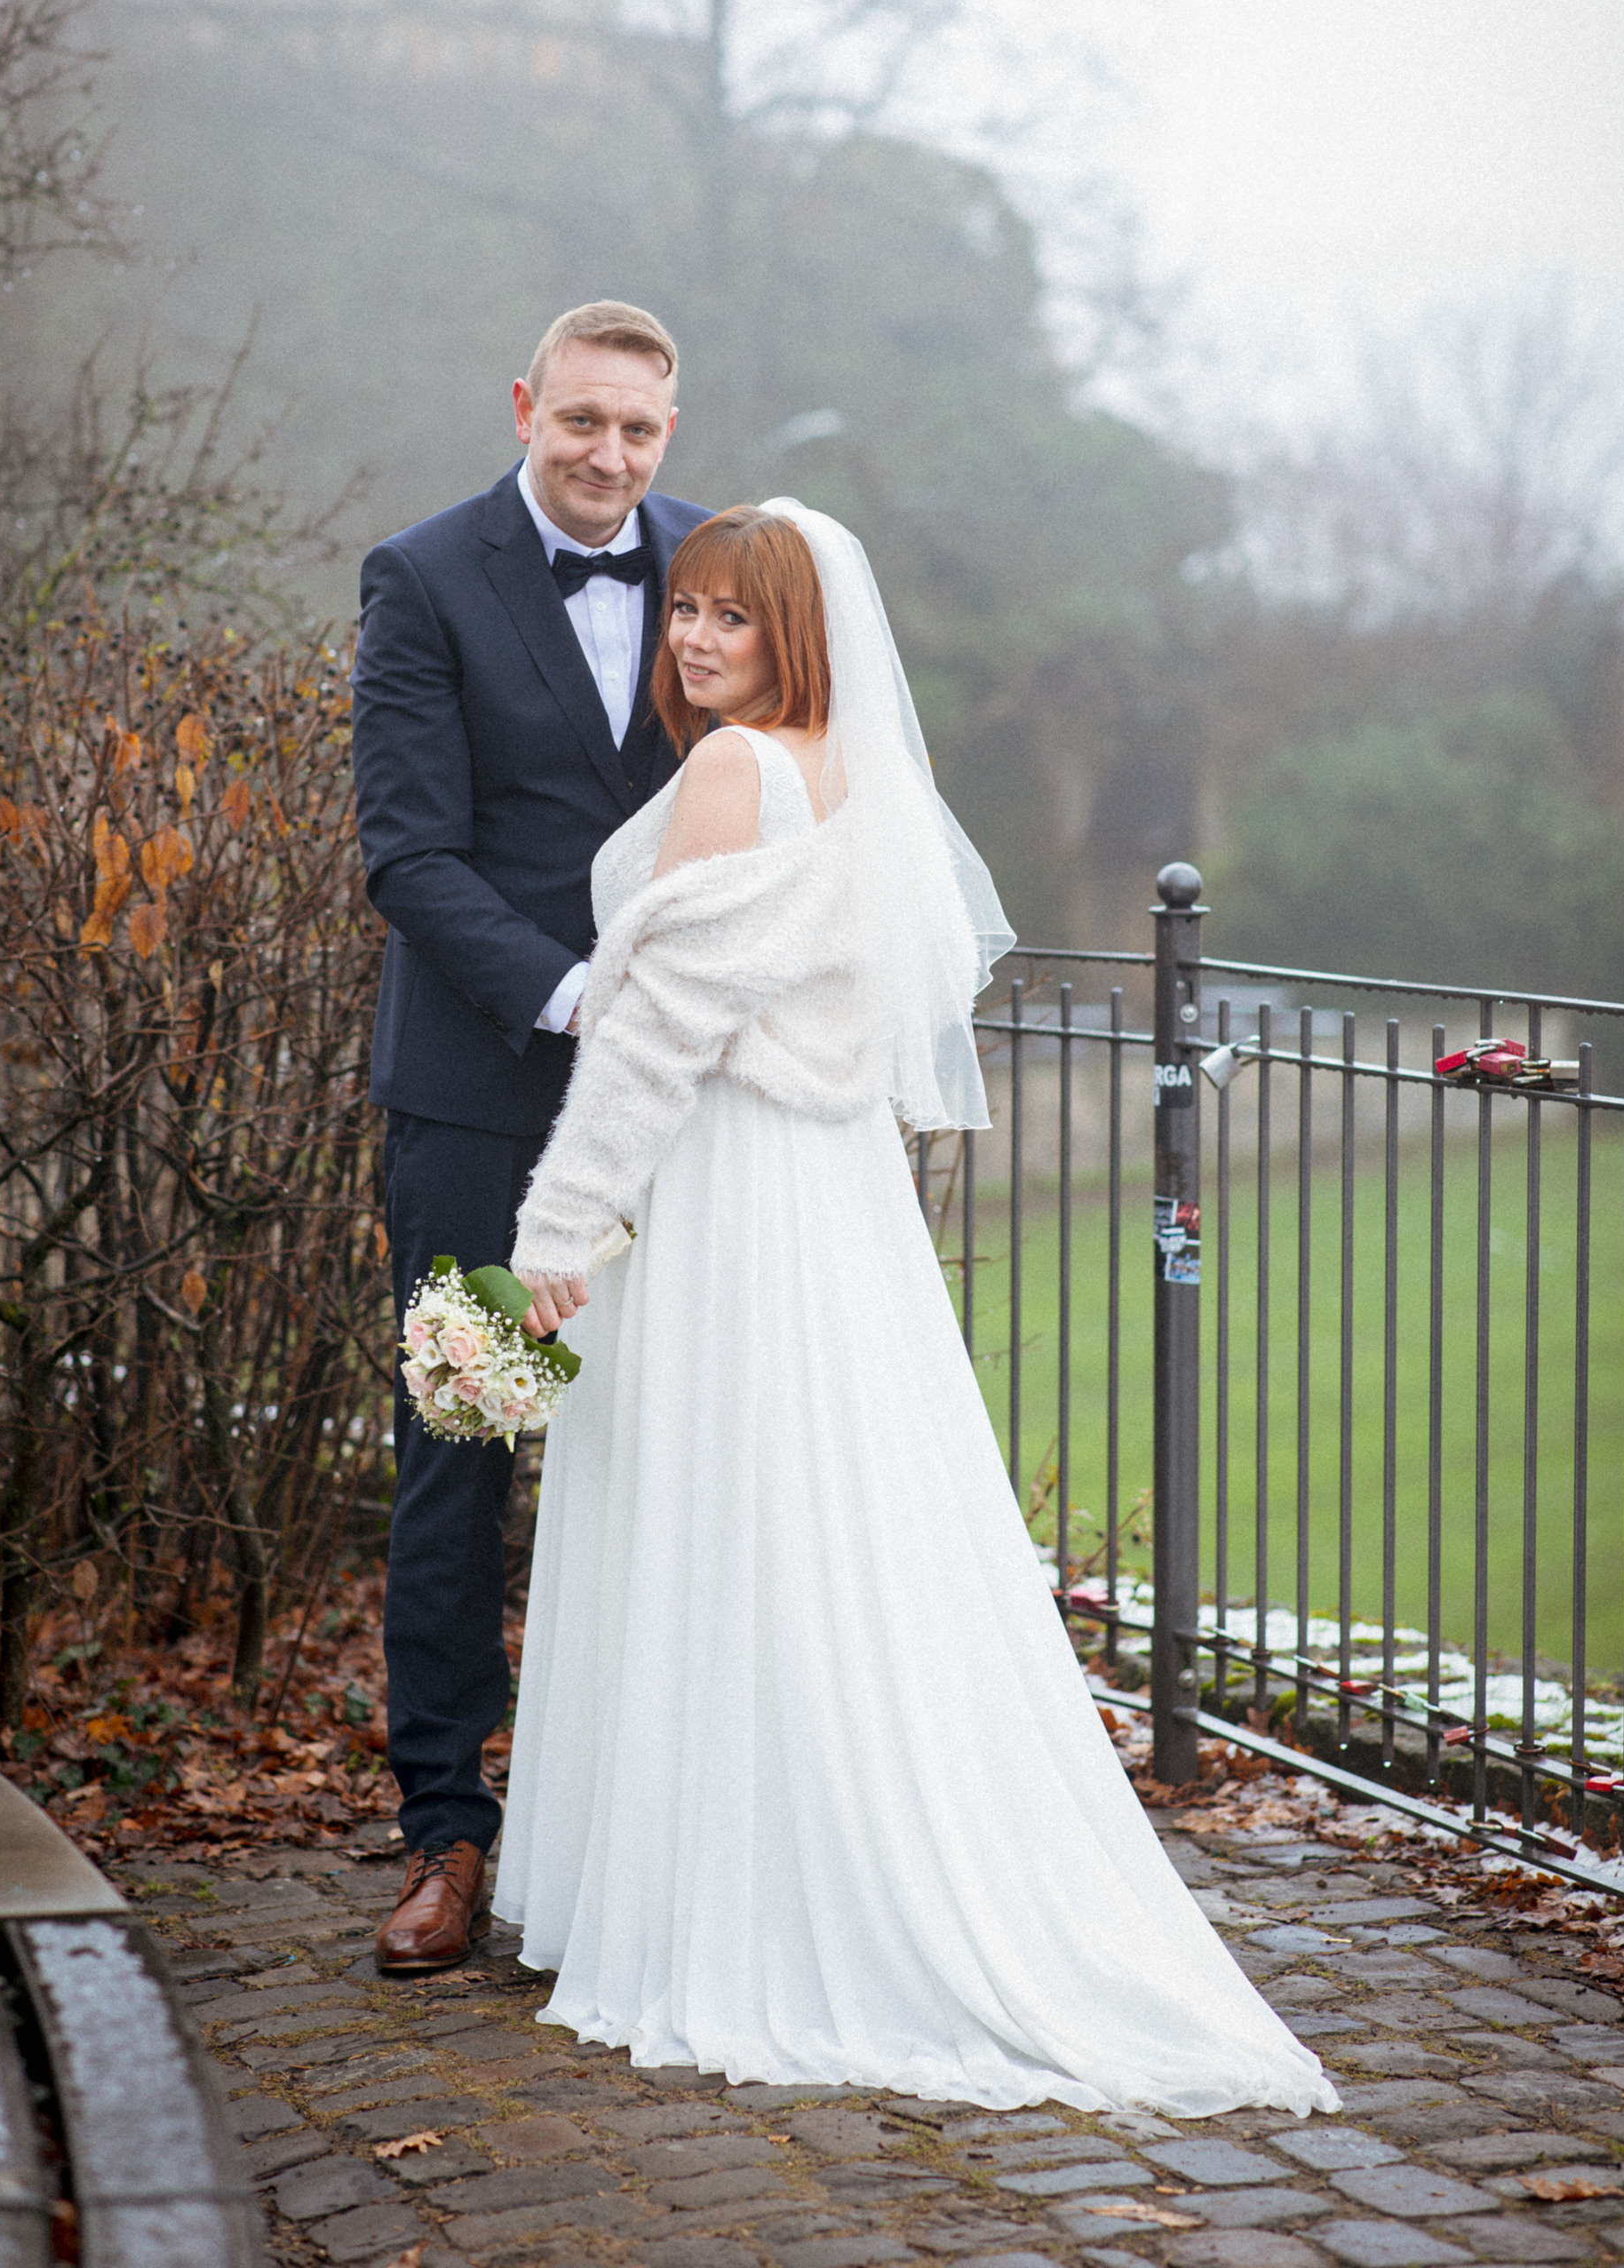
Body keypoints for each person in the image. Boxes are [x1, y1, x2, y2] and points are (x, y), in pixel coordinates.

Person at [495, 501, 1340, 2116]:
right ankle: (802, 1851)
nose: (693, 639)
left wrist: (564, 1217)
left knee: (715, 1514)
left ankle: (715, 1897)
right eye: (685, 609)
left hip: (729, 1182)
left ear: (794, 635)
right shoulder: (862, 786)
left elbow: (659, 1028)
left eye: (732, 619)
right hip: (827, 1197)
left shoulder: (739, 769)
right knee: (820, 1520)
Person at [350, 301, 708, 1973]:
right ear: (524, 406)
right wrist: (577, 1003)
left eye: (638, 431)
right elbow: (410, 860)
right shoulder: (424, 579)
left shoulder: (733, 566)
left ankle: (669, 1827)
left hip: (697, 1117)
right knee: (462, 1463)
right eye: (582, 422)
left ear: (670, 430)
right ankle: (447, 1840)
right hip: (489, 1101)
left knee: (692, 1453)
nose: (609, 458)